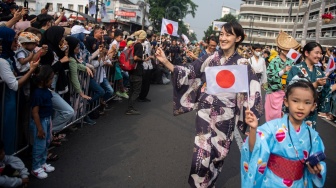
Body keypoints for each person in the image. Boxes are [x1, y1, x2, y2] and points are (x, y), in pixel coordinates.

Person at [155, 22, 263, 187]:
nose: (223, 38)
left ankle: (209, 183)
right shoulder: (211, 58)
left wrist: (250, 110)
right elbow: (190, 72)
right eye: (221, 34)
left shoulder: (243, 64)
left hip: (226, 114)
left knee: (219, 154)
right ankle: (198, 185)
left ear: (238, 38)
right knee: (202, 151)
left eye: (228, 35)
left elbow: (253, 89)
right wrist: (165, 62)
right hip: (205, 111)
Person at [242, 78, 326, 187]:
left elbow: (318, 160)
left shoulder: (312, 136)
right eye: (295, 101)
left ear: (313, 106)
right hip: (271, 182)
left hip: (299, 184)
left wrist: (317, 167)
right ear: (286, 101)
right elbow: (255, 150)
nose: (301, 107)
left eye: (307, 102)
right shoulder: (272, 128)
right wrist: (253, 129)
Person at [0, 27, 39, 154]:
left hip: (12, 98)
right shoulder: (2, 61)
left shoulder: (9, 58)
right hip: (7, 101)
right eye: (14, 41)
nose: (17, 44)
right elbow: (15, 85)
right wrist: (31, 71)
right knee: (7, 129)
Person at [286, 42, 328, 129]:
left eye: (321, 53)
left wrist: (328, 87)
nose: (319, 56)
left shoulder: (320, 72)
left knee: (309, 137)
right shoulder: (296, 68)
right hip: (296, 110)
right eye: (316, 53)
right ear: (306, 53)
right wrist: (315, 84)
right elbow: (291, 88)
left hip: (311, 112)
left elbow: (325, 92)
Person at [265, 31, 300, 122]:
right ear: (280, 49)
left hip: (287, 93)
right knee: (272, 117)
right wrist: (283, 71)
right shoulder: (274, 61)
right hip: (274, 91)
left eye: (289, 49)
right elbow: (270, 77)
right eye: (285, 49)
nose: (287, 51)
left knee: (284, 118)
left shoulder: (291, 61)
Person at [30, 65, 56, 179]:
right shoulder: (37, 93)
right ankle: (35, 167)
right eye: (50, 79)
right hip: (40, 121)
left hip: (47, 119)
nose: (52, 81)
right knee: (39, 145)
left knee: (46, 143)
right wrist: (39, 128)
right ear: (42, 80)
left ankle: (43, 162)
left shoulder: (46, 90)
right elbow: (35, 112)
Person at [125, 30, 148, 115]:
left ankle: (129, 107)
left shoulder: (133, 44)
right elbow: (135, 58)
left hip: (131, 70)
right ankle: (130, 108)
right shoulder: (139, 46)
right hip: (137, 70)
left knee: (132, 90)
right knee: (136, 91)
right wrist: (143, 59)